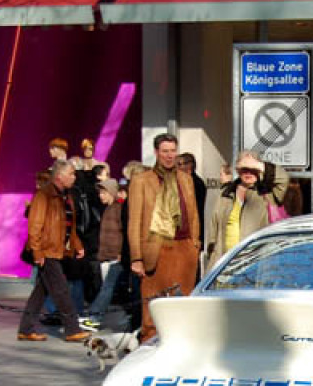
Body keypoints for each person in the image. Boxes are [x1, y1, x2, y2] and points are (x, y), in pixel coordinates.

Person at [128, 133, 203, 340]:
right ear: (156, 153)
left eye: (172, 151)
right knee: (153, 307)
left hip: (185, 247)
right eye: (165, 151)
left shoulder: (186, 179)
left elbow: (194, 213)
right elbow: (134, 222)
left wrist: (194, 244)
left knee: (182, 305)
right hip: (156, 248)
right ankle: (148, 348)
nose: (170, 156)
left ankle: (181, 345)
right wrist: (136, 258)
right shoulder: (141, 181)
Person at [17, 160, 91, 343]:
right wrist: (37, 251)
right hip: (47, 250)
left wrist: (77, 245)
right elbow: (35, 225)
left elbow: (69, 225)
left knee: (41, 292)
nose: (74, 177)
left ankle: (26, 329)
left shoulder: (66, 196)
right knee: (61, 289)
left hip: (58, 250)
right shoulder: (44, 195)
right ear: (60, 176)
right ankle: (72, 329)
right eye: (71, 174)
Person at [207, 150, 289, 264]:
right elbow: (214, 227)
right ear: (238, 170)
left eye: (253, 170)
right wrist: (212, 253)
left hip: (255, 263)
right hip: (225, 262)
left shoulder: (268, 193)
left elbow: (284, 178)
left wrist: (256, 164)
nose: (248, 172)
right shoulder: (226, 193)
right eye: (244, 169)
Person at [80, 179, 124, 330]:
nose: (100, 195)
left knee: (108, 287)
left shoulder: (118, 209)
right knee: (109, 288)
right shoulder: (107, 209)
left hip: (116, 257)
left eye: (103, 192)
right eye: (100, 192)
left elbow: (123, 233)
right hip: (106, 256)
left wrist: (120, 252)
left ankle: (95, 316)